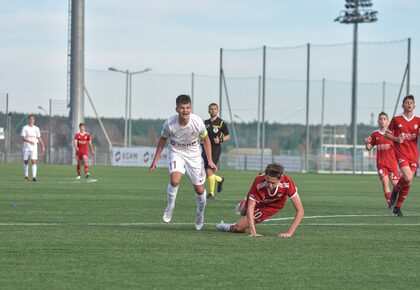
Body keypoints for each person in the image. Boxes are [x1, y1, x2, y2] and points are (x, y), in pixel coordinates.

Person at [149, 94, 217, 230]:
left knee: (199, 189)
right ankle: (170, 206)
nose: (185, 111)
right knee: (175, 180)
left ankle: (200, 213)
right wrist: (155, 159)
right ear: (177, 109)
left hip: (194, 155)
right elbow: (162, 140)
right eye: (182, 108)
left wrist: (210, 160)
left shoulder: (197, 122)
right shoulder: (169, 123)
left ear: (190, 108)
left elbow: (206, 140)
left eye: (187, 108)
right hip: (176, 152)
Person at [216, 163, 304, 238]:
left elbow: (300, 210)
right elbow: (250, 208)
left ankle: (227, 226)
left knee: (239, 228)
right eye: (268, 181)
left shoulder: (287, 183)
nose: (270, 185)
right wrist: (253, 232)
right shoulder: (259, 182)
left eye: (273, 183)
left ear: (280, 179)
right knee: (243, 212)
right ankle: (246, 201)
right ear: (265, 176)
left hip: (272, 206)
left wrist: (289, 233)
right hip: (259, 198)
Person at [385, 95, 420, 217]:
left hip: (414, 154)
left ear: (414, 106)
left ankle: (398, 207)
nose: (409, 104)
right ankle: (395, 190)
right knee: (408, 177)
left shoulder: (418, 121)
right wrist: (396, 139)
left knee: (408, 182)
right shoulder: (396, 119)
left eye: (411, 102)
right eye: (407, 102)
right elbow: (386, 135)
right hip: (401, 152)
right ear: (403, 105)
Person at [364, 112, 399, 207]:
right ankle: (390, 203)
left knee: (397, 186)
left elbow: (399, 145)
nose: (382, 121)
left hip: (392, 164)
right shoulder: (375, 134)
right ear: (378, 121)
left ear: (388, 121)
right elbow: (369, 148)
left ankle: (395, 202)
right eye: (381, 119)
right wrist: (366, 143)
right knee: (384, 182)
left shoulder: (393, 134)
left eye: (384, 119)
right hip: (381, 163)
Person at [202, 103, 230, 199]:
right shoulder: (205, 122)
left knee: (209, 170)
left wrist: (220, 140)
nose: (213, 110)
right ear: (208, 110)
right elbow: (201, 134)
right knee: (205, 173)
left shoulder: (221, 122)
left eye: (215, 109)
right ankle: (219, 179)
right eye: (211, 109)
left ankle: (211, 193)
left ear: (217, 111)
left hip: (215, 149)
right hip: (205, 149)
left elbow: (228, 136)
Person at [21, 114, 45, 182]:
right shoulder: (25, 128)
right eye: (30, 119)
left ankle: (34, 176)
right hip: (26, 147)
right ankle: (26, 176)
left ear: (34, 120)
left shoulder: (36, 128)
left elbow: (39, 137)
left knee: (34, 161)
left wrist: (42, 145)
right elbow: (22, 137)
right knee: (26, 161)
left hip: (34, 147)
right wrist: (29, 141)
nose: (32, 120)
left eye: (33, 119)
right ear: (28, 120)